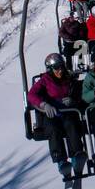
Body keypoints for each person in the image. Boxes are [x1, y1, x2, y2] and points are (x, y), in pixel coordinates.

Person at [27, 53, 85, 182]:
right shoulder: (45, 81)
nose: (60, 70)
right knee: (54, 128)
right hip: (51, 114)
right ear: (50, 69)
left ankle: (77, 155)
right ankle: (61, 160)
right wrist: (44, 104)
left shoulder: (69, 79)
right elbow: (32, 95)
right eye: (56, 68)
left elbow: (79, 93)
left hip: (68, 112)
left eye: (61, 67)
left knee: (71, 124)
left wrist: (72, 100)